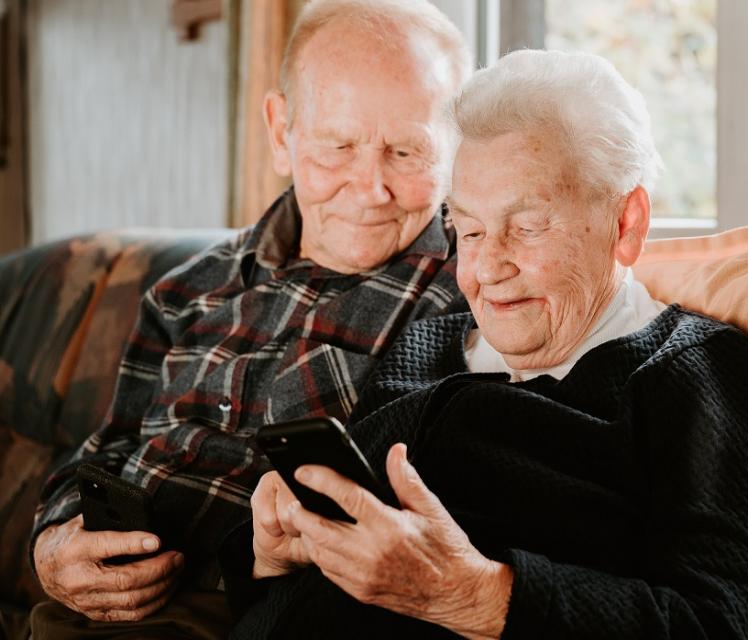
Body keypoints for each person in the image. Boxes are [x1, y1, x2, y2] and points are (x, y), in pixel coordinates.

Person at [230, 49, 748, 639]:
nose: (489, 268)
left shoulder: (690, 371)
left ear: (626, 224)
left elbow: (720, 622)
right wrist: (271, 556)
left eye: (527, 228)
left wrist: (476, 596)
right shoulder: (427, 343)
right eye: (470, 231)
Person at [28, 0, 471, 636]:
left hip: (260, 612)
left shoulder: (473, 289)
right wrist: (52, 546)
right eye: (338, 146)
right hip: (96, 606)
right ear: (280, 131)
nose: (370, 187)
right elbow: (106, 449)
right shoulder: (186, 290)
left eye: (407, 152)